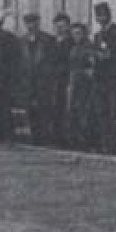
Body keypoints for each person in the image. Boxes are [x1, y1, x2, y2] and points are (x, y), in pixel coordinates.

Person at [93, 2, 116, 156]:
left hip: (114, 78)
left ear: (109, 15)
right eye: (98, 15)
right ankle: (105, 144)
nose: (101, 18)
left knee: (115, 112)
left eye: (103, 15)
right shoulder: (97, 36)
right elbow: (95, 54)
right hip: (101, 79)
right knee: (103, 112)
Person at [65, 20, 101, 151]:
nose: (76, 36)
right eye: (74, 34)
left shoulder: (89, 47)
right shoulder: (74, 48)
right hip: (75, 84)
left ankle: (87, 142)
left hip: (86, 86)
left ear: (84, 34)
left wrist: (82, 73)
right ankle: (77, 140)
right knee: (74, 111)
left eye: (79, 33)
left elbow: (92, 68)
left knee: (85, 113)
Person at [22, 13, 58, 144]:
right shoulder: (22, 41)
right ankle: (34, 135)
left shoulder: (48, 40)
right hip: (28, 80)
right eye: (28, 23)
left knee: (44, 109)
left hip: (44, 80)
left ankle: (45, 136)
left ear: (38, 23)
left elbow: (53, 61)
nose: (31, 25)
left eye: (34, 22)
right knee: (31, 110)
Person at [50, 14, 74, 147]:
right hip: (53, 81)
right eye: (57, 26)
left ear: (68, 26)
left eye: (63, 26)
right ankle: (56, 137)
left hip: (67, 79)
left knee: (66, 109)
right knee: (55, 108)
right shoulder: (52, 42)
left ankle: (66, 138)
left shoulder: (71, 42)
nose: (60, 29)